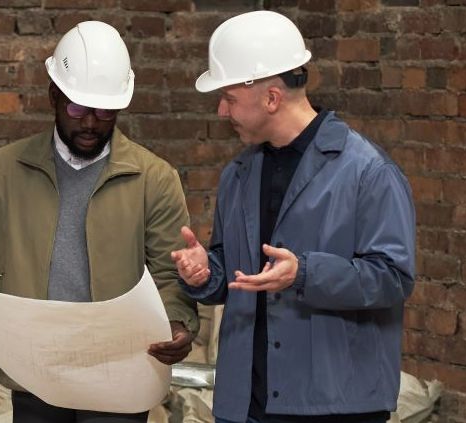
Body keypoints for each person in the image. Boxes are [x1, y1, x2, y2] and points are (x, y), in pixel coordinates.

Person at [0, 21, 198, 423]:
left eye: (104, 111)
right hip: (36, 367)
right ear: (53, 96)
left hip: (119, 371)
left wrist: (179, 325)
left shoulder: (153, 178)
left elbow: (170, 272)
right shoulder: (7, 169)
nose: (91, 123)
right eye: (77, 108)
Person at [169, 11, 417, 423]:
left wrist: (304, 273)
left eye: (229, 98)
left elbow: (393, 278)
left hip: (333, 406)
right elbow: (232, 271)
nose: (220, 111)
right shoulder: (239, 174)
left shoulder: (368, 172)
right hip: (245, 403)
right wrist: (204, 272)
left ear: (271, 97)